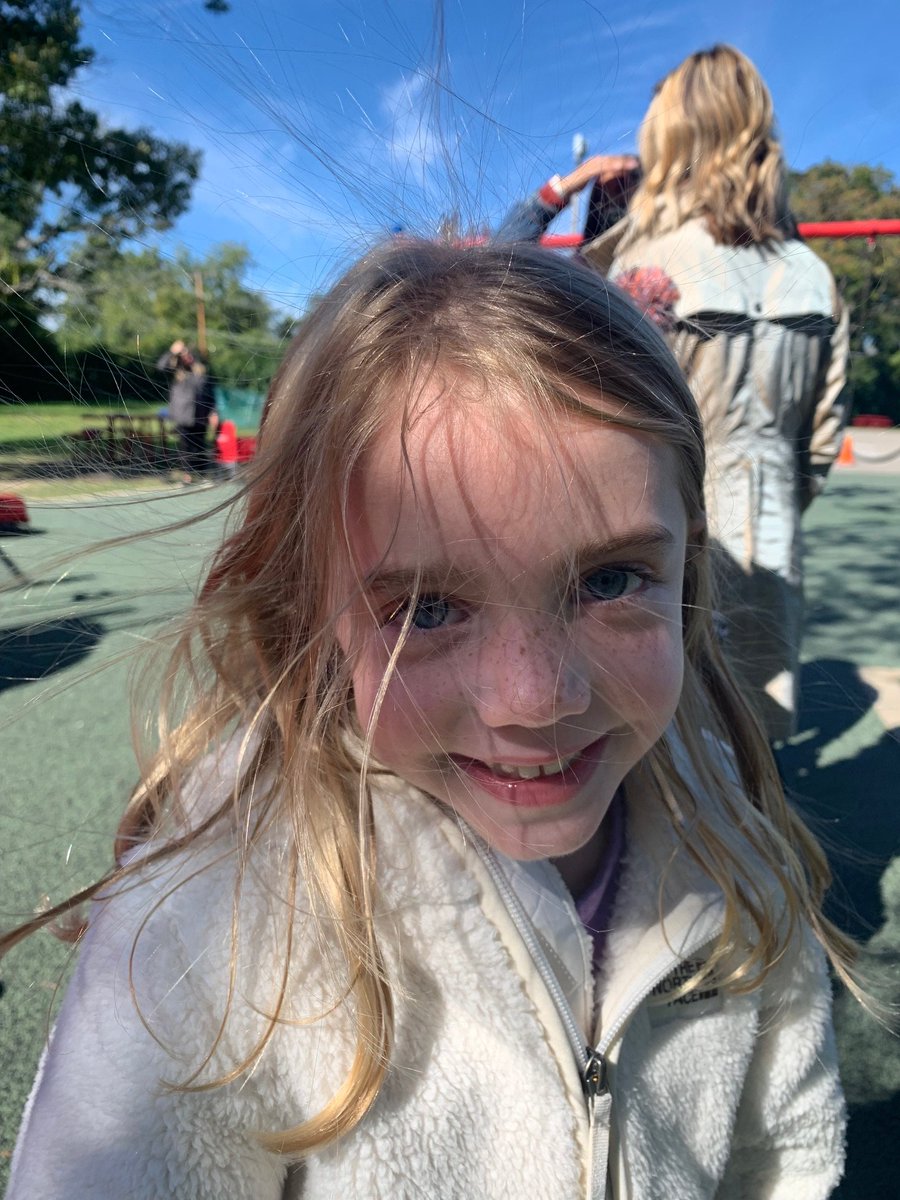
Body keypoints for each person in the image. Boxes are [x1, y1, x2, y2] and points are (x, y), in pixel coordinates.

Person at [5, 241, 855, 1198]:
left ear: (687, 568)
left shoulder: (725, 827)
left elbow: (784, 1156)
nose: (536, 699)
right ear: (306, 607)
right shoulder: (215, 915)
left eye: (612, 580)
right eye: (424, 609)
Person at [500, 46, 850, 741]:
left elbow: (591, 422)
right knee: (755, 737)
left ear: (670, 138)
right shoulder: (814, 276)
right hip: (773, 532)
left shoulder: (641, 266)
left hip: (656, 545)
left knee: (659, 740)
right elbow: (821, 437)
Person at [156, 339, 220, 480]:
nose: (187, 357)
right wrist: (172, 352)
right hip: (183, 415)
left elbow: (210, 393)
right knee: (185, 446)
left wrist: (213, 411)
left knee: (200, 445)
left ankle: (202, 474)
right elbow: (161, 367)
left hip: (200, 414)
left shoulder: (201, 372)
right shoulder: (176, 371)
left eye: (189, 354)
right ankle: (188, 475)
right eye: (183, 355)